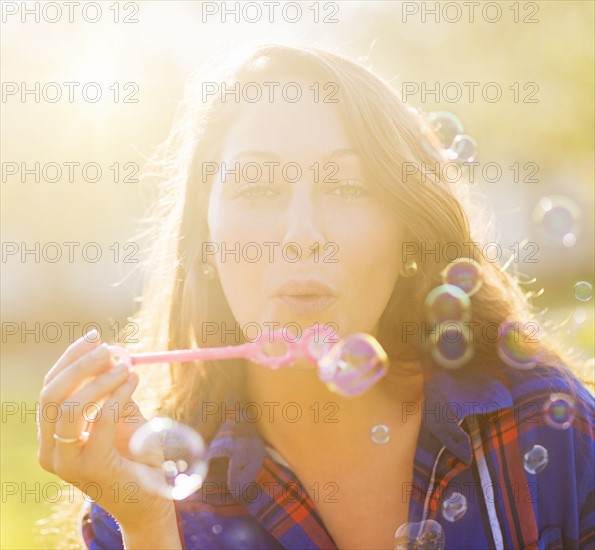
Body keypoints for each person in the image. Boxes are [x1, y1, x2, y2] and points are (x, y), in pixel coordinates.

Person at [38, 44, 594, 550]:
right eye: (257, 187)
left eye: (346, 186)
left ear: (407, 232)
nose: (302, 234)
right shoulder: (139, 493)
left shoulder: (547, 426)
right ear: (206, 242)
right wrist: (148, 528)